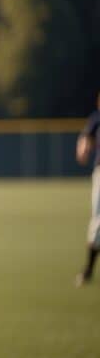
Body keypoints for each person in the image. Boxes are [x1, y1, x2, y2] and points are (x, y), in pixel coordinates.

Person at [75, 91, 100, 287]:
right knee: (98, 220)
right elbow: (85, 138)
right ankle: (89, 270)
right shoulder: (96, 119)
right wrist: (83, 147)